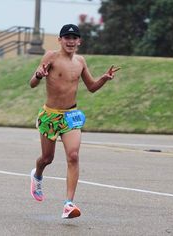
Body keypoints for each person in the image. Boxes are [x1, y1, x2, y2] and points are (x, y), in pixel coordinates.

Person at [29, 24, 120, 219]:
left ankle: (68, 204)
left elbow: (92, 87)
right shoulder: (50, 57)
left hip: (71, 116)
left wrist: (104, 78)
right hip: (50, 115)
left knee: (73, 155)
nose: (71, 41)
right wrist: (38, 75)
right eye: (67, 37)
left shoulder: (80, 61)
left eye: (74, 38)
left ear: (79, 41)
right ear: (60, 40)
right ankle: (37, 175)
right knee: (47, 158)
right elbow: (32, 83)